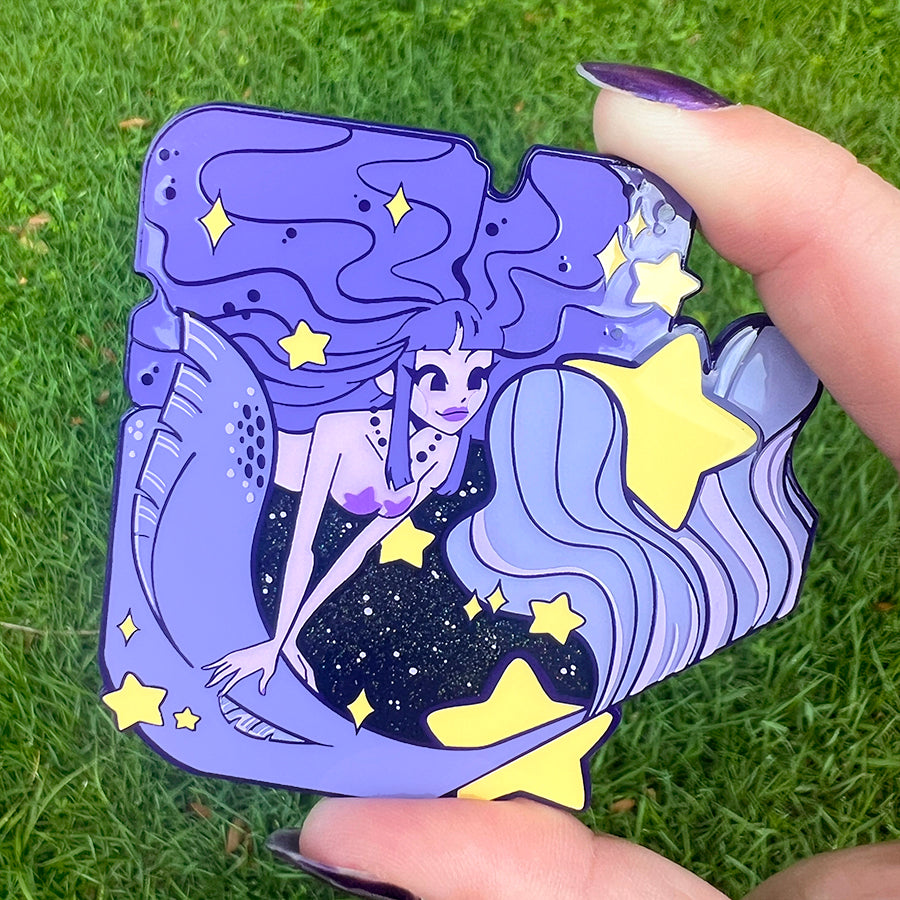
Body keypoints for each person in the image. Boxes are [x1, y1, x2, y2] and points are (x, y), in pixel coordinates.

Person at [263, 65, 900, 898]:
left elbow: (372, 552)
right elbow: (312, 542)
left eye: (473, 378)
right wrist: (279, 639)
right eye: (437, 379)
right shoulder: (346, 437)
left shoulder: (470, 465)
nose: (458, 399)